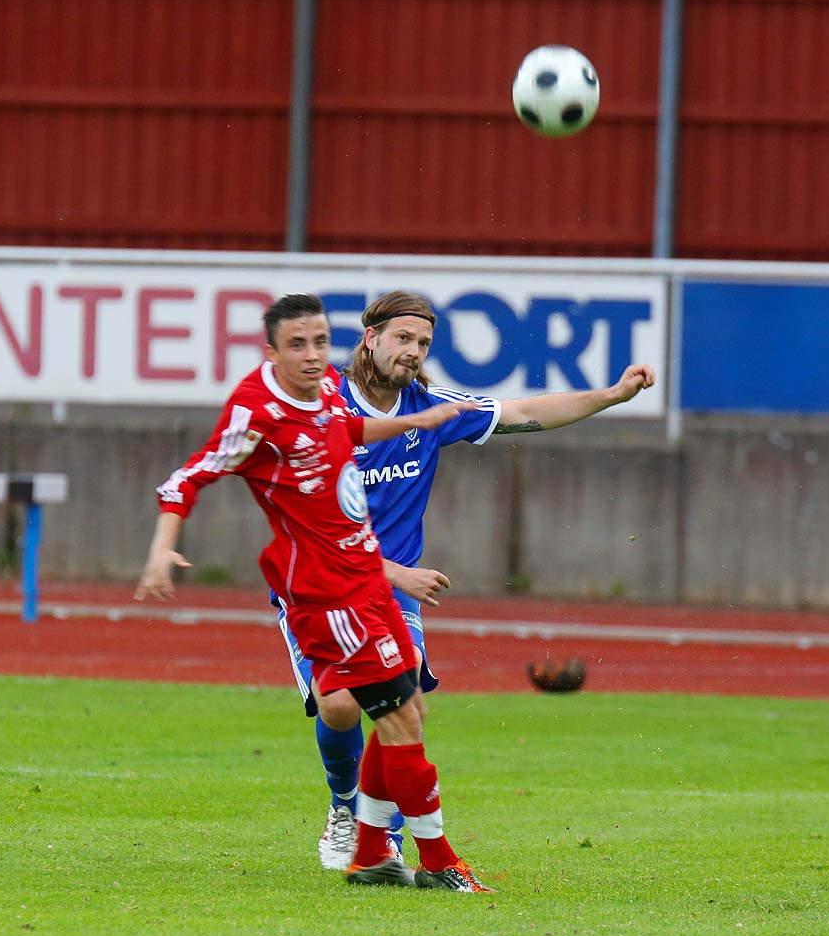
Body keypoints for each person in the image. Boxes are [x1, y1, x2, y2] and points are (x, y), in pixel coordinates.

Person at [135, 293, 493, 891]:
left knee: (407, 711)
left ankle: (375, 853)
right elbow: (187, 478)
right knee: (372, 712)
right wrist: (160, 549)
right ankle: (429, 859)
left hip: (367, 580)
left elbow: (348, 427)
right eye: (297, 345)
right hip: (322, 591)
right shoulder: (255, 411)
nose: (311, 355)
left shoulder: (329, 387)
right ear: (270, 349)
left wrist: (415, 421)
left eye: (321, 342)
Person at [292, 290, 657, 871]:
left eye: (424, 343)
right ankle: (343, 804)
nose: (412, 352)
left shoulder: (432, 408)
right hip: (320, 581)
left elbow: (519, 413)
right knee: (339, 706)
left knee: (400, 694)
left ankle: (378, 834)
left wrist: (611, 396)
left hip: (390, 590)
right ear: (371, 338)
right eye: (403, 339)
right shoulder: (322, 410)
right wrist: (396, 572)